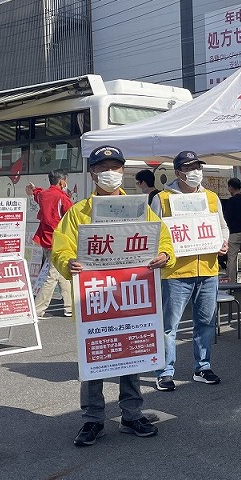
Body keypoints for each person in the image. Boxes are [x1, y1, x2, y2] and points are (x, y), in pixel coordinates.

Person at [51, 145, 173, 447]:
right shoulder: (79, 211)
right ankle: (92, 419)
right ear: (92, 172)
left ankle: (132, 414)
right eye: (103, 167)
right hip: (96, 299)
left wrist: (163, 254)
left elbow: (162, 235)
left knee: (130, 354)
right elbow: (61, 246)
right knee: (95, 357)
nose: (110, 173)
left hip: (131, 294)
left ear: (122, 171)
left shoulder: (138, 207)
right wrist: (68, 262)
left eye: (116, 167)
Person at [151, 150, 229, 391]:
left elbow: (222, 227)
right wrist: (162, 254)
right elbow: (154, 232)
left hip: (207, 269)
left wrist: (223, 242)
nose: (195, 172)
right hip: (175, 273)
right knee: (168, 325)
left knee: (205, 322)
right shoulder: (162, 198)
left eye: (197, 167)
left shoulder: (212, 197)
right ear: (178, 173)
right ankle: (164, 371)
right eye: (189, 168)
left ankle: (202, 367)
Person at [27, 170, 74, 318]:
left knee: (61, 273)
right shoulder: (62, 198)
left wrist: (34, 188)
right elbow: (72, 217)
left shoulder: (43, 195)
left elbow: (37, 194)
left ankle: (69, 307)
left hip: (45, 239)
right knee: (53, 275)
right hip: (59, 242)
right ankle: (38, 310)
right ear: (62, 181)